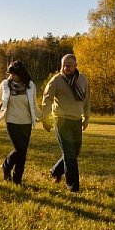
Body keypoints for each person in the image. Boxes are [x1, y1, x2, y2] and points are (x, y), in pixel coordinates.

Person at [0, 60, 42, 185]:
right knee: (20, 149)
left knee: (22, 152)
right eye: (10, 74)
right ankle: (6, 166)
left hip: (27, 123)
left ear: (21, 73)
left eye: (14, 74)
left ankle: (17, 179)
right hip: (11, 121)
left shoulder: (30, 85)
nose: (11, 76)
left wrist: (43, 118)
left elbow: (34, 106)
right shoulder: (5, 84)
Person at [42, 54, 91, 192]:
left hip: (76, 120)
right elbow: (47, 100)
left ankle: (55, 171)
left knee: (74, 152)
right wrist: (44, 119)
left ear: (76, 66)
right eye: (63, 65)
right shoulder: (56, 80)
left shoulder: (82, 79)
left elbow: (87, 100)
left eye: (69, 65)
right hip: (61, 120)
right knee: (70, 156)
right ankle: (73, 187)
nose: (65, 68)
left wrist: (86, 118)